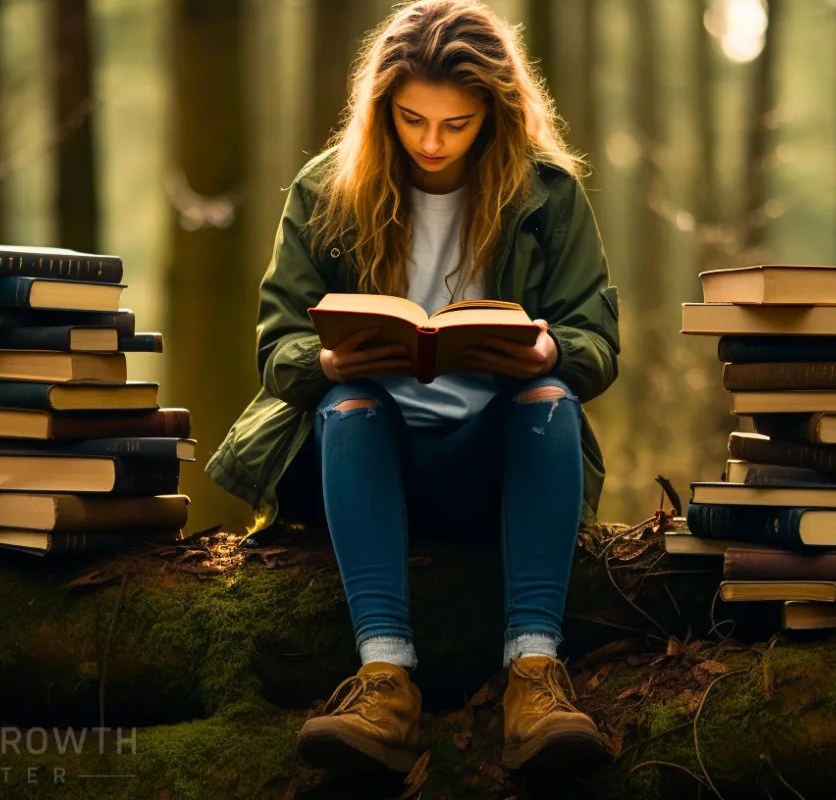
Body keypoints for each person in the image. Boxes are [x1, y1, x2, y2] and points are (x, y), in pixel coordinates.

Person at [206, 0, 620, 775]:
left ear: (496, 114)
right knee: (345, 402)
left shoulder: (548, 195)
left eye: (456, 124)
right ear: (380, 107)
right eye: (411, 119)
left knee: (550, 400)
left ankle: (534, 677)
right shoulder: (326, 190)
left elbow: (596, 341)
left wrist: (549, 347)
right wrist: (325, 362)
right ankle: (384, 678)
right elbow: (277, 343)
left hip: (493, 461)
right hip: (367, 455)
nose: (431, 143)